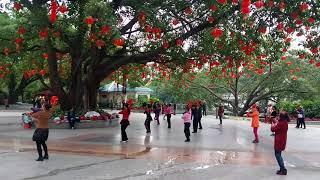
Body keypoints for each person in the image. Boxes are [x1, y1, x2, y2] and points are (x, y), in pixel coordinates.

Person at [271, 111, 289, 175]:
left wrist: (273, 124)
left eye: (279, 115)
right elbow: (278, 125)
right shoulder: (285, 122)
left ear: (281, 117)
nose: (278, 116)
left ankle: (283, 169)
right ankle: (282, 169)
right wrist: (276, 122)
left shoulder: (281, 123)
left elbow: (273, 129)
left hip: (279, 141)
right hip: (282, 140)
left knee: (277, 155)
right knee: (279, 154)